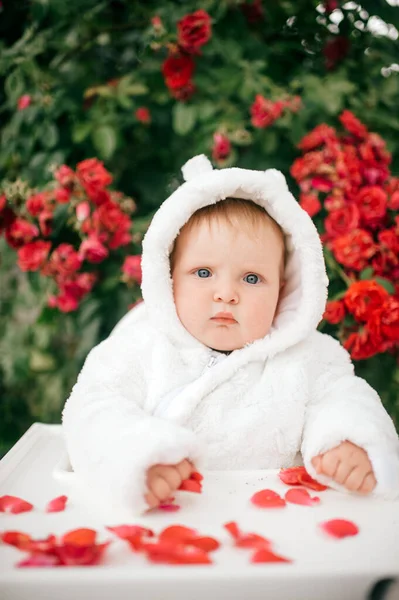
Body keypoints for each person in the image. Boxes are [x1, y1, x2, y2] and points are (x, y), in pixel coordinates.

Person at [62, 154, 399, 517]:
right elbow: (93, 409)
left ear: (282, 291)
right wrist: (137, 457)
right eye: (203, 272)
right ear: (168, 277)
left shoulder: (307, 357)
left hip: (281, 525)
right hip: (169, 520)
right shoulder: (140, 346)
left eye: (251, 278)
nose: (225, 293)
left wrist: (345, 440)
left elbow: (342, 397)